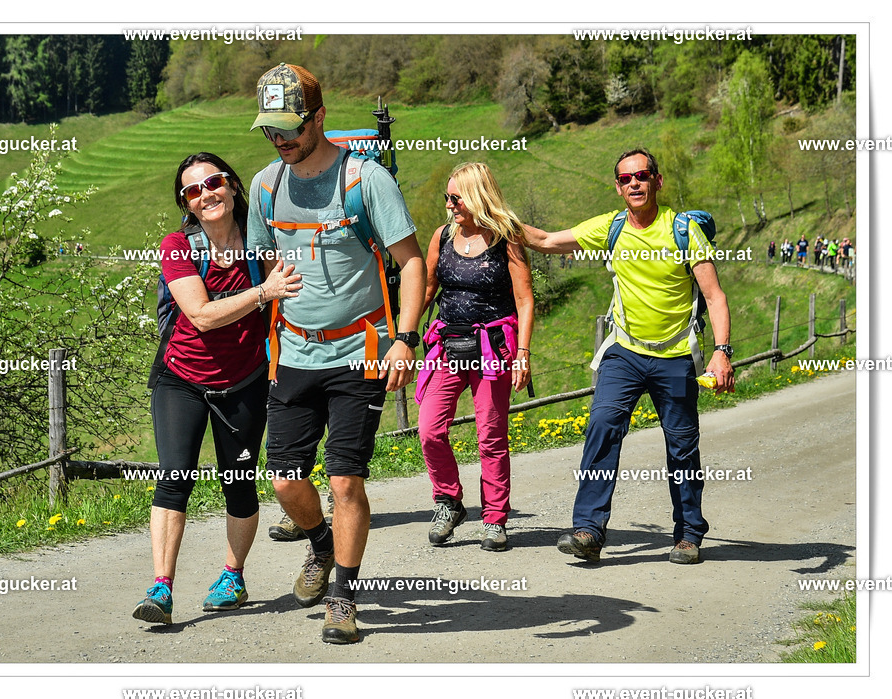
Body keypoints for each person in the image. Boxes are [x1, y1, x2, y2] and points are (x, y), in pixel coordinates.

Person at [246, 63, 425, 643]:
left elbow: (412, 263)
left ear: (319, 118)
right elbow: (259, 263)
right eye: (270, 131)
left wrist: (405, 338)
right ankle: (321, 546)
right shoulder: (265, 185)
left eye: (290, 129)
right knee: (284, 482)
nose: (281, 140)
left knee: (346, 482)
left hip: (361, 350)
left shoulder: (366, 180)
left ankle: (344, 598)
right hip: (294, 353)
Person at [523, 147, 734, 565]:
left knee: (682, 447)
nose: (634, 183)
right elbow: (546, 241)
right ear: (618, 187)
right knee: (602, 424)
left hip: (675, 356)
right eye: (625, 178)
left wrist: (721, 353)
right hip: (625, 352)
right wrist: (491, 213)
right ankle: (587, 530)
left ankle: (689, 534)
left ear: (657, 181)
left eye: (642, 175)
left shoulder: (683, 230)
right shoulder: (612, 227)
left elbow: (715, 296)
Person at [132, 152, 301, 625]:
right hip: (181, 379)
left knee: (239, 485)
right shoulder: (177, 246)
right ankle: (161, 588)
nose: (206, 194)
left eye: (214, 182)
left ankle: (233, 575)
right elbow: (202, 316)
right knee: (174, 477)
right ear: (186, 204)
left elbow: (295, 289)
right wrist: (264, 292)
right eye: (193, 190)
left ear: (231, 185)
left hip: (244, 381)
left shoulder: (261, 238)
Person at [415, 162, 534, 552]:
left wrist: (522, 354)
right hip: (447, 345)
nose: (449, 205)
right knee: (430, 429)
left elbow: (524, 299)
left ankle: (495, 520)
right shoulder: (442, 237)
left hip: (493, 348)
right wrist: (402, 333)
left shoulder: (506, 237)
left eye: (456, 198)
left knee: (491, 437)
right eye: (446, 198)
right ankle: (449, 500)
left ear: (477, 197)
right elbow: (428, 288)